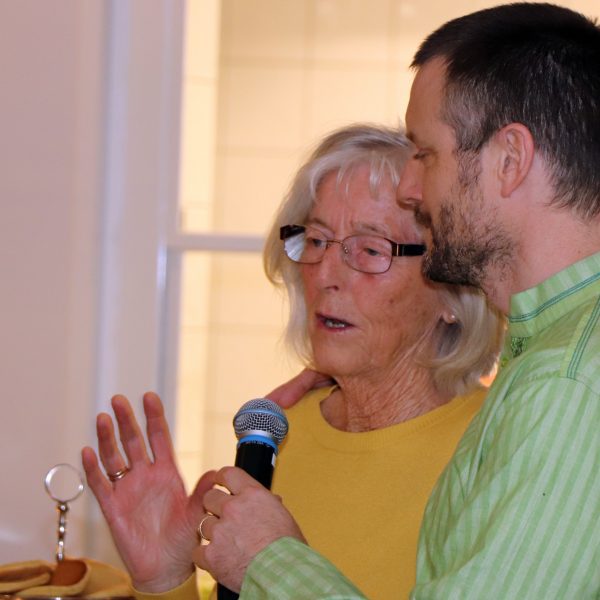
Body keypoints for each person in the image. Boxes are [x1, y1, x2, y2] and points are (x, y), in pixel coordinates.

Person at [193, 3, 600, 598]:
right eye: (317, 240)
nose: (413, 186)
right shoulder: (548, 359)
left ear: (510, 161)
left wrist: (269, 561)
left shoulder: (566, 382)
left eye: (427, 154)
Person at [81, 124, 504, 599]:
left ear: (454, 289)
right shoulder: (276, 434)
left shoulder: (496, 444)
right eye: (317, 241)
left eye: (370, 250)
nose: (325, 275)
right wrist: (164, 579)